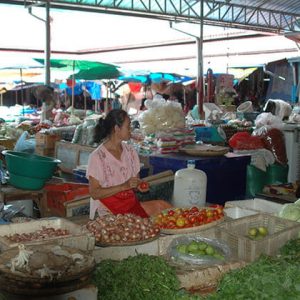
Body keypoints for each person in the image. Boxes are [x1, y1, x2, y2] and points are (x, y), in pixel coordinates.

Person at [86, 109, 172, 219]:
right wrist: (123, 186)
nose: (130, 130)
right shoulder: (97, 157)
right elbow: (94, 193)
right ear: (117, 129)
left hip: (128, 205)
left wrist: (139, 185)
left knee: (164, 207)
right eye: (128, 126)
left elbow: (134, 184)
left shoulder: (130, 152)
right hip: (107, 212)